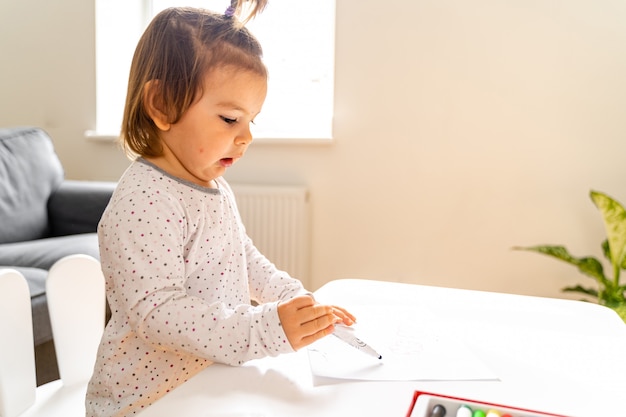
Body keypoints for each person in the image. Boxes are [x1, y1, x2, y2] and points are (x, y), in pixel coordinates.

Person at [85, 3, 355, 416]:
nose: (246, 137)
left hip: (206, 384)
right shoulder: (145, 200)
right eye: (230, 118)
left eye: (252, 120)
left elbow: (241, 256)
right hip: (144, 402)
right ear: (161, 104)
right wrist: (263, 328)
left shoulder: (212, 186)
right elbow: (157, 312)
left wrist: (293, 297)